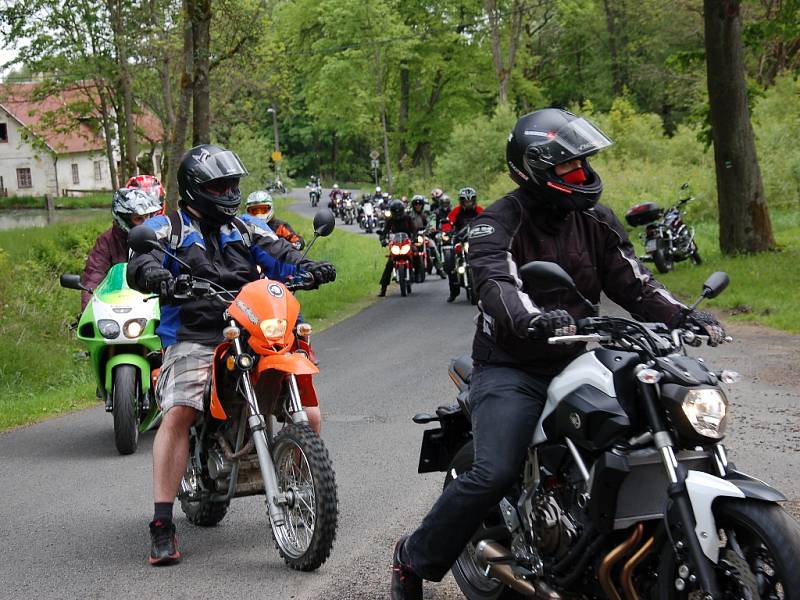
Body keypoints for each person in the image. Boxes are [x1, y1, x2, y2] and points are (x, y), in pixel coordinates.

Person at [389, 108, 726, 600]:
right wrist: (530, 319)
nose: (584, 175)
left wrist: (684, 316)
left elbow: (633, 282)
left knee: (649, 428)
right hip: (513, 365)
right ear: (538, 170)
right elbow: (497, 285)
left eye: (585, 165)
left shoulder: (596, 219)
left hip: (580, 356)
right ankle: (412, 560)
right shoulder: (496, 223)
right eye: (571, 167)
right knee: (494, 470)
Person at [126, 144, 336, 567]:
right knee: (181, 412)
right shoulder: (167, 228)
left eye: (233, 185)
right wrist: (159, 277)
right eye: (221, 186)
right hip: (194, 335)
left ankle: (301, 482)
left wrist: (308, 266)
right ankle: (162, 523)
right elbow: (140, 261)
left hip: (251, 327)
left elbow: (280, 253)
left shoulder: (245, 228)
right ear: (197, 189)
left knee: (308, 415)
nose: (229, 192)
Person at [80, 187, 162, 310]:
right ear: (124, 219)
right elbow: (93, 276)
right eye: (138, 218)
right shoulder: (106, 242)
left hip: (152, 302)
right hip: (117, 304)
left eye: (148, 216)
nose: (146, 223)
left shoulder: (159, 237)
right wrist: (88, 310)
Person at [444, 187, 483, 302]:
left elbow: (488, 218)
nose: (468, 203)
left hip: (476, 239)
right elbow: (448, 221)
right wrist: (447, 230)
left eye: (470, 201)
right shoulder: (456, 211)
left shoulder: (479, 210)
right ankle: (454, 292)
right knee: (451, 263)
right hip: (460, 239)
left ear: (474, 200)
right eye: (466, 201)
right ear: (462, 201)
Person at [377, 199, 417, 297]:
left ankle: (418, 274)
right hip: (396, 243)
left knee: (416, 255)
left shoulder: (408, 218)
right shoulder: (390, 220)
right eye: (395, 211)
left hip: (407, 242)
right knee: (389, 264)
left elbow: (414, 229)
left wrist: (414, 238)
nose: (397, 213)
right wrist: (383, 239)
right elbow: (385, 231)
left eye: (399, 211)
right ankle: (383, 288)